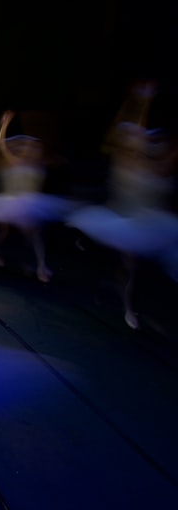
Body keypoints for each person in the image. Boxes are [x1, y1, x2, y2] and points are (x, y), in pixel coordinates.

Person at [67, 80, 178, 329]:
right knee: (129, 266)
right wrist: (141, 101)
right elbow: (127, 134)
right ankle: (129, 307)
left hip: (152, 222)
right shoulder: (129, 161)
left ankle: (129, 296)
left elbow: (167, 157)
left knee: (150, 265)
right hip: (126, 220)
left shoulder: (159, 168)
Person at [0, 110, 76, 283]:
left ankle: (41, 265)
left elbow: (52, 159)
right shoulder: (14, 161)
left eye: (31, 146)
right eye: (25, 146)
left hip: (30, 202)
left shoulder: (38, 163)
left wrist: (60, 159)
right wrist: (3, 125)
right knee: (5, 232)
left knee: (34, 232)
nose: (28, 148)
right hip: (11, 201)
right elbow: (0, 145)